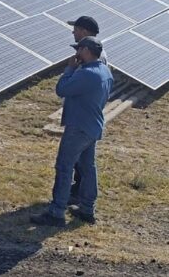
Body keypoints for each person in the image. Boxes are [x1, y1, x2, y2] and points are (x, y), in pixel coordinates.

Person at [31, 36, 113, 227]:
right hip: (93, 126)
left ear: (86, 51)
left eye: (79, 49)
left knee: (64, 167)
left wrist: (70, 69)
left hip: (78, 127)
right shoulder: (105, 71)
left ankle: (56, 212)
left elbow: (61, 89)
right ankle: (87, 209)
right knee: (87, 168)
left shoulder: (86, 73)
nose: (76, 53)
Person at [65, 15, 101, 200]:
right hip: (88, 118)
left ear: (85, 32)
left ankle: (68, 200)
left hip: (82, 119)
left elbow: (64, 89)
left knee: (69, 163)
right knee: (85, 163)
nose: (73, 32)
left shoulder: (95, 60)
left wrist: (69, 72)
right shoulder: (95, 54)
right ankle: (83, 198)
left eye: (76, 29)